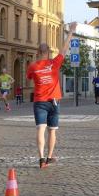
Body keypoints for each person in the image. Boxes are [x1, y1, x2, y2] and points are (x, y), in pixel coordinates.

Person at [26, 22, 78, 168]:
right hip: (54, 101)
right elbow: (64, 49)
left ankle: (41, 159)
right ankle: (49, 157)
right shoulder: (54, 63)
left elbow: (28, 78)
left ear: (38, 52)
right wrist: (71, 32)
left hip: (39, 101)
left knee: (40, 129)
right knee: (52, 131)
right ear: (48, 52)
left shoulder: (33, 66)